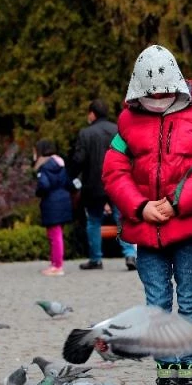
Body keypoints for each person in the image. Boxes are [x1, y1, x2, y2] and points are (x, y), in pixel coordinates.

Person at [103, 44, 192, 385]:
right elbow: (114, 171)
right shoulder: (127, 123)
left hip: (186, 227)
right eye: (151, 92)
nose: (158, 98)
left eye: (163, 91)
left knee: (190, 299)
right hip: (147, 230)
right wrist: (140, 207)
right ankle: (166, 377)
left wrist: (176, 203)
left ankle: (191, 376)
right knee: (156, 303)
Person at [73, 99, 137, 271]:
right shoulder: (117, 130)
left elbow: (79, 160)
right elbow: (130, 154)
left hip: (93, 185)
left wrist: (72, 178)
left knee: (93, 221)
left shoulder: (85, 134)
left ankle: (96, 259)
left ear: (92, 113)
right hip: (117, 181)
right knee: (121, 218)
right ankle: (130, 254)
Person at [34, 140, 73, 276]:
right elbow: (69, 183)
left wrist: (38, 191)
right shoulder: (60, 164)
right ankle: (55, 262)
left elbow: (43, 185)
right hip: (63, 200)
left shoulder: (44, 167)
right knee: (56, 234)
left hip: (52, 203)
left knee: (54, 236)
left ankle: (57, 266)